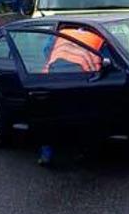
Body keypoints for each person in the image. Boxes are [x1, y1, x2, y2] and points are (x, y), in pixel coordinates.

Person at [37, 27, 106, 166]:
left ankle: (46, 155)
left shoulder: (62, 33)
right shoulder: (99, 37)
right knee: (80, 117)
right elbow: (105, 60)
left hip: (52, 78)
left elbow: (46, 51)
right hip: (79, 79)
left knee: (50, 119)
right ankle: (82, 153)